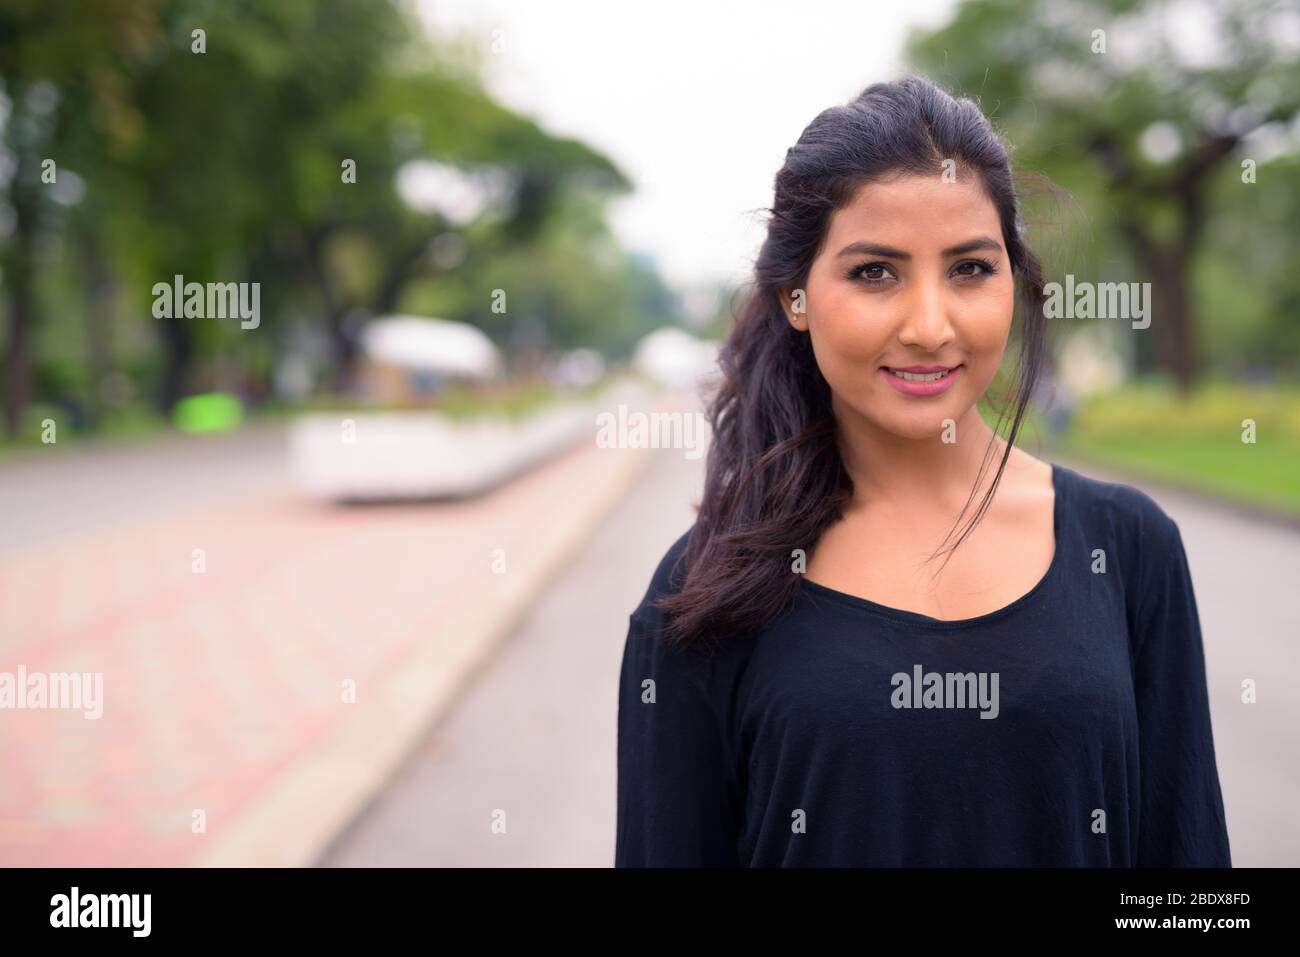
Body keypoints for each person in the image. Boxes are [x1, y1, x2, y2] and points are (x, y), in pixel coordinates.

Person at [615, 76, 1231, 867]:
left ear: (1014, 280)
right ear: (795, 296)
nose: (930, 325)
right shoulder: (703, 594)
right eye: (875, 272)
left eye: (970, 268)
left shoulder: (1129, 549)